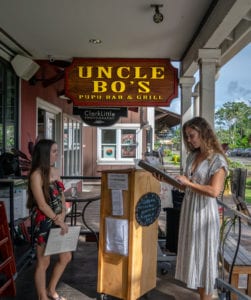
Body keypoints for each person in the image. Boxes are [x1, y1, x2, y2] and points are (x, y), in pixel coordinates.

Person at [154, 117, 228, 300]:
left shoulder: (217, 160)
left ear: (204, 134)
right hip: (189, 211)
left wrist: (188, 182)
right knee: (193, 256)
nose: (189, 140)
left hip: (204, 213)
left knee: (204, 260)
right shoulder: (193, 156)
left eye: (192, 136)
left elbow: (214, 191)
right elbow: (186, 186)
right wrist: (167, 179)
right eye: (186, 136)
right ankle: (202, 296)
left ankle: (207, 297)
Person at [27, 139, 71, 300]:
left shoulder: (56, 171)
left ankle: (51, 290)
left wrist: (63, 214)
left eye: (57, 151)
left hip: (58, 218)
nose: (57, 154)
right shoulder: (36, 175)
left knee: (65, 256)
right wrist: (56, 219)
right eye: (54, 151)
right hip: (43, 221)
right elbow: (42, 204)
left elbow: (62, 196)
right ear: (45, 154)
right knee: (43, 262)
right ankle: (42, 297)